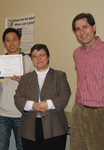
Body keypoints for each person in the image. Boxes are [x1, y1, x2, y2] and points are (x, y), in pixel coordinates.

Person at [14, 44, 71, 150]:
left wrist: (48, 104)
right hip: (30, 128)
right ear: (32, 59)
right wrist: (31, 105)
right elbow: (18, 98)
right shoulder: (25, 78)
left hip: (54, 127)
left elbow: (65, 96)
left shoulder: (59, 75)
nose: (38, 58)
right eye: (35, 56)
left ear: (48, 57)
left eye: (42, 55)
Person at [0, 28, 35, 150]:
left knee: (22, 146)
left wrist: (23, 81)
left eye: (14, 39)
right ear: (4, 43)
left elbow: (37, 86)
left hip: (21, 114)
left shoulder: (29, 61)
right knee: (1, 147)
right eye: (8, 40)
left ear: (19, 41)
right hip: (2, 113)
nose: (11, 43)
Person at [71, 13, 104, 150]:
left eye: (85, 27)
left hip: (99, 112)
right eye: (78, 29)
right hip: (78, 109)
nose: (81, 32)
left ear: (94, 27)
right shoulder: (76, 53)